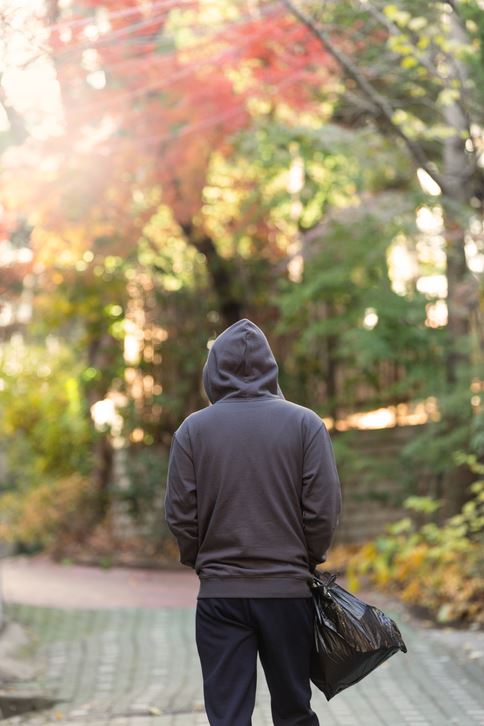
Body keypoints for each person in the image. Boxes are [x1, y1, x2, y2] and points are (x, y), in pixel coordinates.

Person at [164, 318, 342, 726]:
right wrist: (307, 559)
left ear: (213, 369)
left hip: (220, 595)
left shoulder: (192, 431)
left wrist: (204, 562)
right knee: (295, 710)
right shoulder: (305, 424)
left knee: (227, 716)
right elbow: (322, 509)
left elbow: (180, 513)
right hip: (287, 594)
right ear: (270, 366)